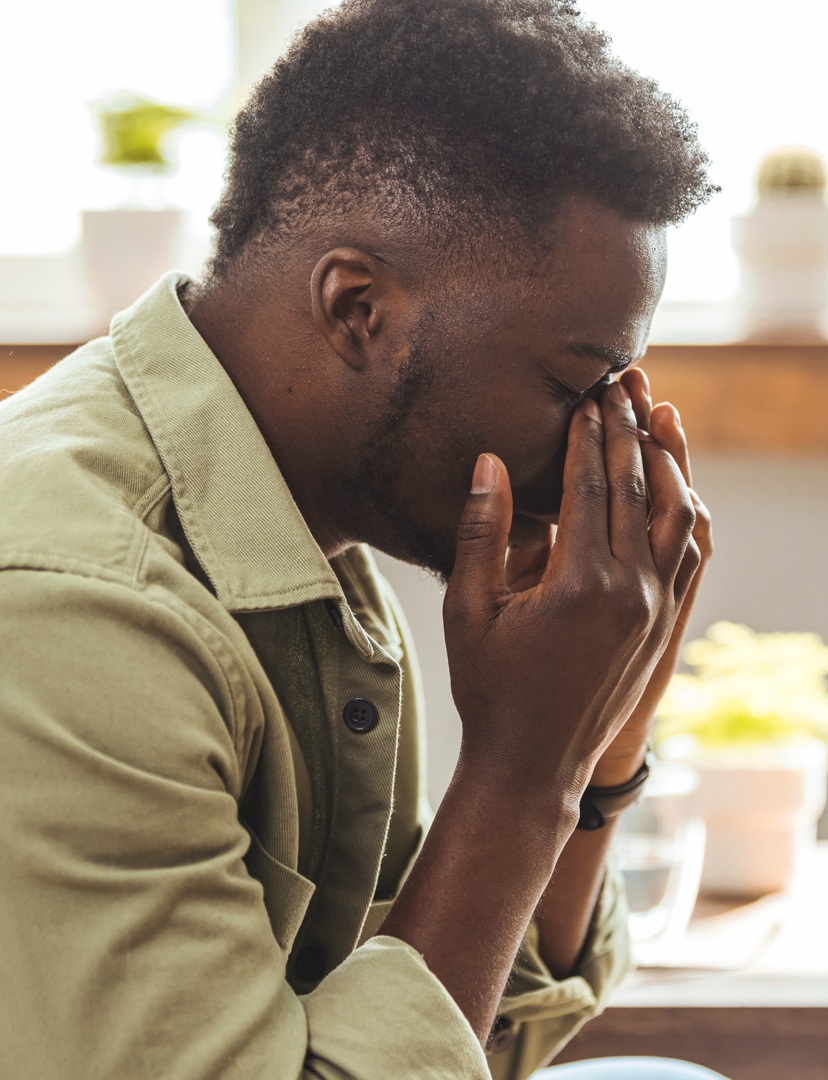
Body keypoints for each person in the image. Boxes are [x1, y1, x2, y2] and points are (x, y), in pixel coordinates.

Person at [0, 2, 722, 1078]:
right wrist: (526, 769)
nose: (602, 443)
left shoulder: (308, 530)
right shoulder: (78, 609)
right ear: (356, 309)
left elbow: (458, 1035)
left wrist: (598, 751)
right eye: (576, 384)